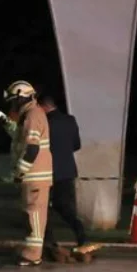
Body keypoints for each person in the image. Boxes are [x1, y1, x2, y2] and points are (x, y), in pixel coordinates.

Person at [38, 95, 98, 259]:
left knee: (43, 209)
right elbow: (76, 145)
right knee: (66, 208)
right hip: (68, 171)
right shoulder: (70, 120)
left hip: (47, 173)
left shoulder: (44, 123)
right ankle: (82, 236)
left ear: (43, 107)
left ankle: (50, 243)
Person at [3, 80, 53, 266]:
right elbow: (21, 137)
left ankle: (33, 254)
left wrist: (19, 172)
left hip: (34, 175)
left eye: (13, 101)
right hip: (34, 176)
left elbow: (32, 149)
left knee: (34, 214)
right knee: (31, 214)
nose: (12, 105)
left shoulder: (32, 115)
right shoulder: (30, 114)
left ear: (20, 98)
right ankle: (32, 251)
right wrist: (7, 124)